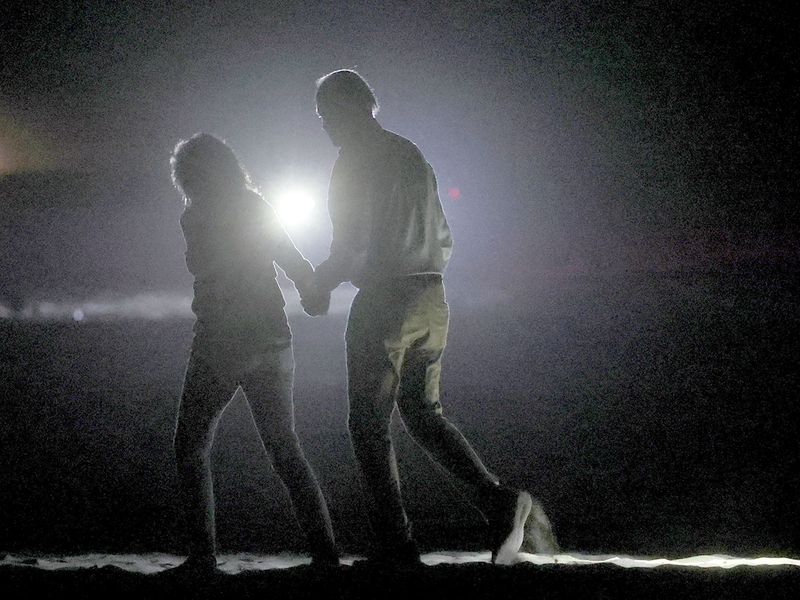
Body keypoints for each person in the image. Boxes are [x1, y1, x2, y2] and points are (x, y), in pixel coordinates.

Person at [301, 70, 557, 566]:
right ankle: (498, 499)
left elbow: (349, 246)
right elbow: (442, 231)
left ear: (343, 110)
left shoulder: (353, 161)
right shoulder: (410, 153)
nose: (324, 127)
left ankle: (397, 545)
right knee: (423, 413)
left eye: (325, 116)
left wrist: (319, 284)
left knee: (368, 425)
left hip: (386, 300)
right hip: (432, 296)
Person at [170, 133, 338, 574]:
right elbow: (292, 259)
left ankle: (203, 555)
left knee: (190, 445)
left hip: (220, 343)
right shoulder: (255, 207)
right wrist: (313, 295)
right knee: (285, 449)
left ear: (189, 176)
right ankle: (325, 554)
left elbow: (204, 269)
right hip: (270, 338)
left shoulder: (195, 216)